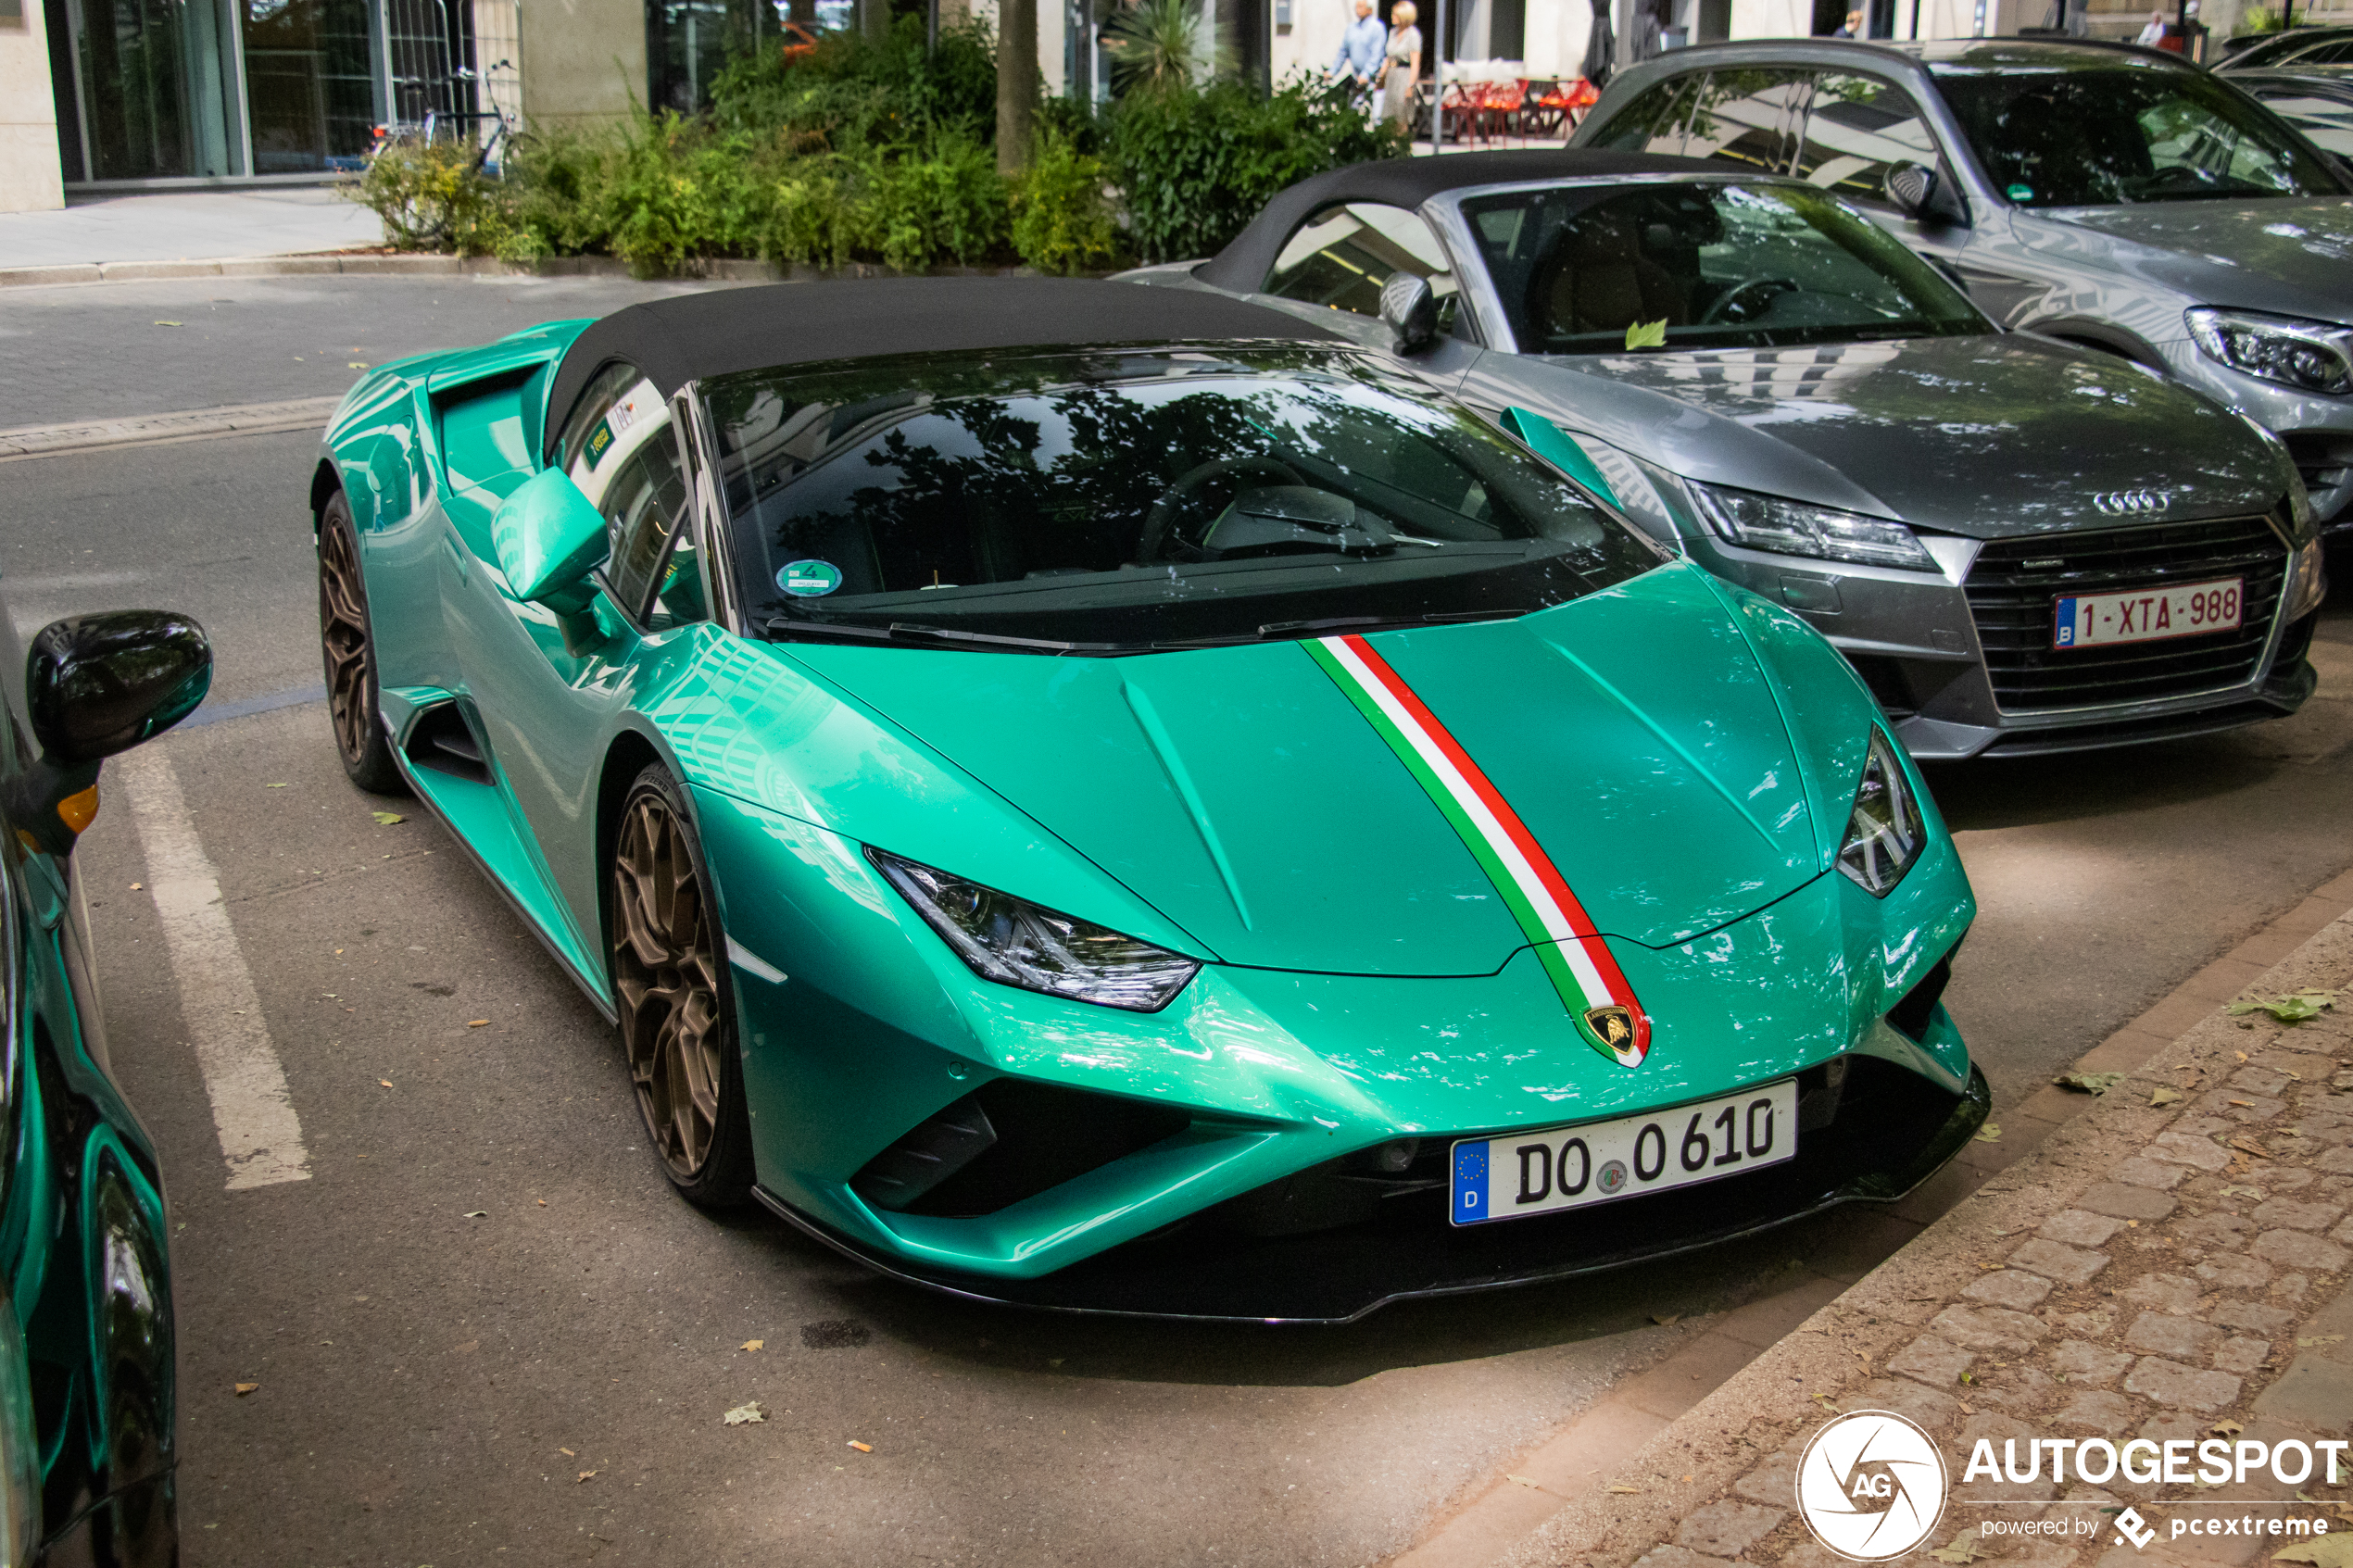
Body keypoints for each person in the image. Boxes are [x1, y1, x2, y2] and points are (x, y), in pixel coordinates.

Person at [1330, 0, 1388, 102]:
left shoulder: (1377, 28)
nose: (1357, 10)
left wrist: (1366, 73)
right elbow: (1343, 52)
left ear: (1370, 9)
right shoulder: (1351, 28)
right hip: (1356, 79)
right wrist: (1333, 71)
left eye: (1361, 7)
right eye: (1356, 7)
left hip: (1372, 80)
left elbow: (1377, 54)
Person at [1379, 1, 1424, 132]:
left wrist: (1410, 85)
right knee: (1388, 115)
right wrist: (1381, 77)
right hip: (1391, 76)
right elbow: (1388, 58)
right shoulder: (1392, 32)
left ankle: (1401, 145)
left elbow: (1415, 63)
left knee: (1401, 114)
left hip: (1404, 75)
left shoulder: (1413, 34)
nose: (1392, 16)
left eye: (1396, 14)